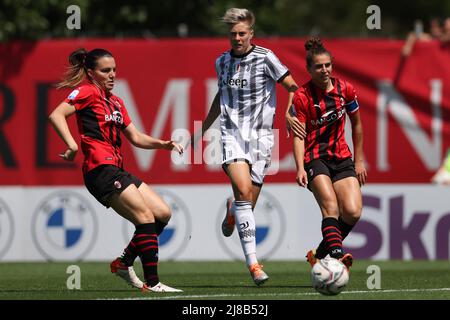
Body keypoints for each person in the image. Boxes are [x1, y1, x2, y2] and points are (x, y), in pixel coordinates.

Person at [48, 48, 183, 293]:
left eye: (114, 70)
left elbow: (136, 137)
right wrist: (71, 145)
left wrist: (163, 144)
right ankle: (152, 284)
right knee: (145, 218)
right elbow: (56, 115)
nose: (112, 75)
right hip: (100, 171)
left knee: (162, 214)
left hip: (116, 169)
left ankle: (123, 262)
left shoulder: (116, 101)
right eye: (105, 70)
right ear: (91, 72)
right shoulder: (87, 92)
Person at [195, 8, 303, 286]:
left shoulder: (266, 58)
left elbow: (293, 87)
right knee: (243, 191)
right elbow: (222, 97)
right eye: (233, 34)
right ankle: (254, 264)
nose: (237, 38)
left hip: (262, 138)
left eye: (242, 33)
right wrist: (203, 129)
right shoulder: (221, 62)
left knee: (246, 204)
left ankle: (233, 212)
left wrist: (289, 113)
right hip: (231, 135)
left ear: (251, 34)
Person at [291, 38, 367, 270]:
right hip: (315, 158)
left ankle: (321, 252)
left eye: (327, 65)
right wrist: (300, 167)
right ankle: (336, 256)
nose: (324, 70)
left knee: (353, 212)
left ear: (332, 65)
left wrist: (359, 160)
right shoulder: (302, 96)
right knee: (331, 208)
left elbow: (358, 125)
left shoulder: (346, 90)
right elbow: (298, 135)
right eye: (318, 66)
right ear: (309, 69)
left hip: (342, 157)